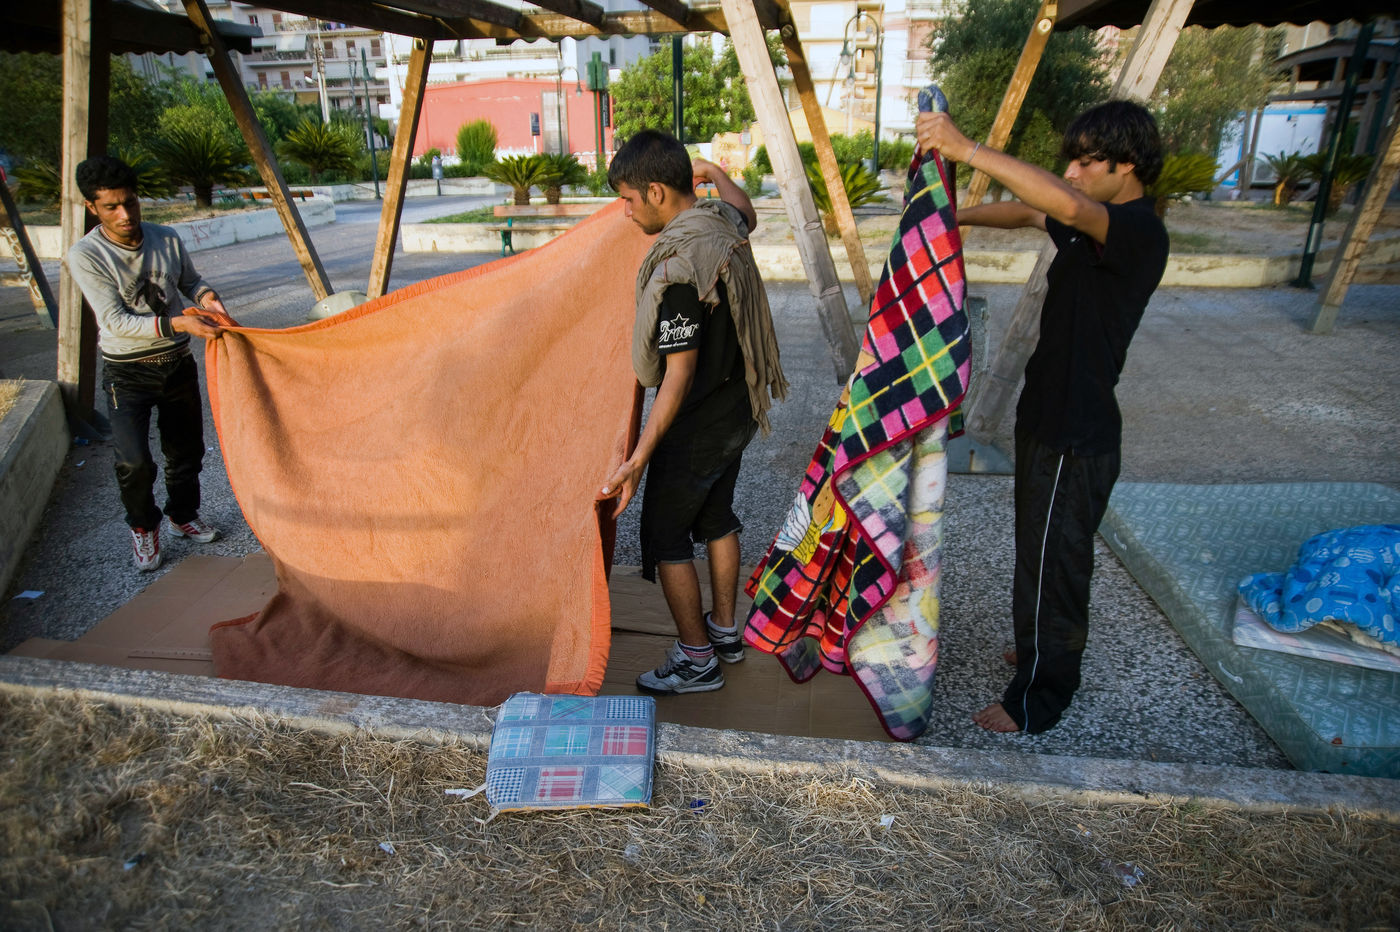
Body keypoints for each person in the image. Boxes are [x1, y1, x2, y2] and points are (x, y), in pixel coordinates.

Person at [915, 100, 1169, 734]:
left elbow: (1069, 206)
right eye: (1070, 162)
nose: (1073, 174)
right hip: (1046, 421)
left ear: (1128, 165)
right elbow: (1033, 211)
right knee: (1037, 552)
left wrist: (966, 148)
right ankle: (1039, 648)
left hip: (1076, 436)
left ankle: (1038, 699)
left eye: (1087, 162)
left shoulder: (1138, 231)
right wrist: (950, 216)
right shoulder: (1087, 228)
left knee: (1056, 567)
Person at [599, 130, 788, 695]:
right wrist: (713, 171)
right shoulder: (720, 225)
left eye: (629, 199)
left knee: (666, 536)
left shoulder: (680, 267)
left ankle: (696, 659)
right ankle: (725, 630)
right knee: (716, 516)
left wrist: (639, 457)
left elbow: (677, 375)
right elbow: (746, 210)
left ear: (656, 192)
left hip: (699, 420)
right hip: (737, 409)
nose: (626, 212)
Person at [67, 155, 238, 573]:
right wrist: (180, 322)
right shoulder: (86, 255)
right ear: (92, 207)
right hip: (127, 372)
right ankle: (144, 527)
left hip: (177, 364)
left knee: (187, 452)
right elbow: (115, 321)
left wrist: (208, 299)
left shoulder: (166, 238)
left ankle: (182, 516)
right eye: (111, 207)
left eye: (130, 202)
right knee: (134, 462)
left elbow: (190, 282)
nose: (125, 215)